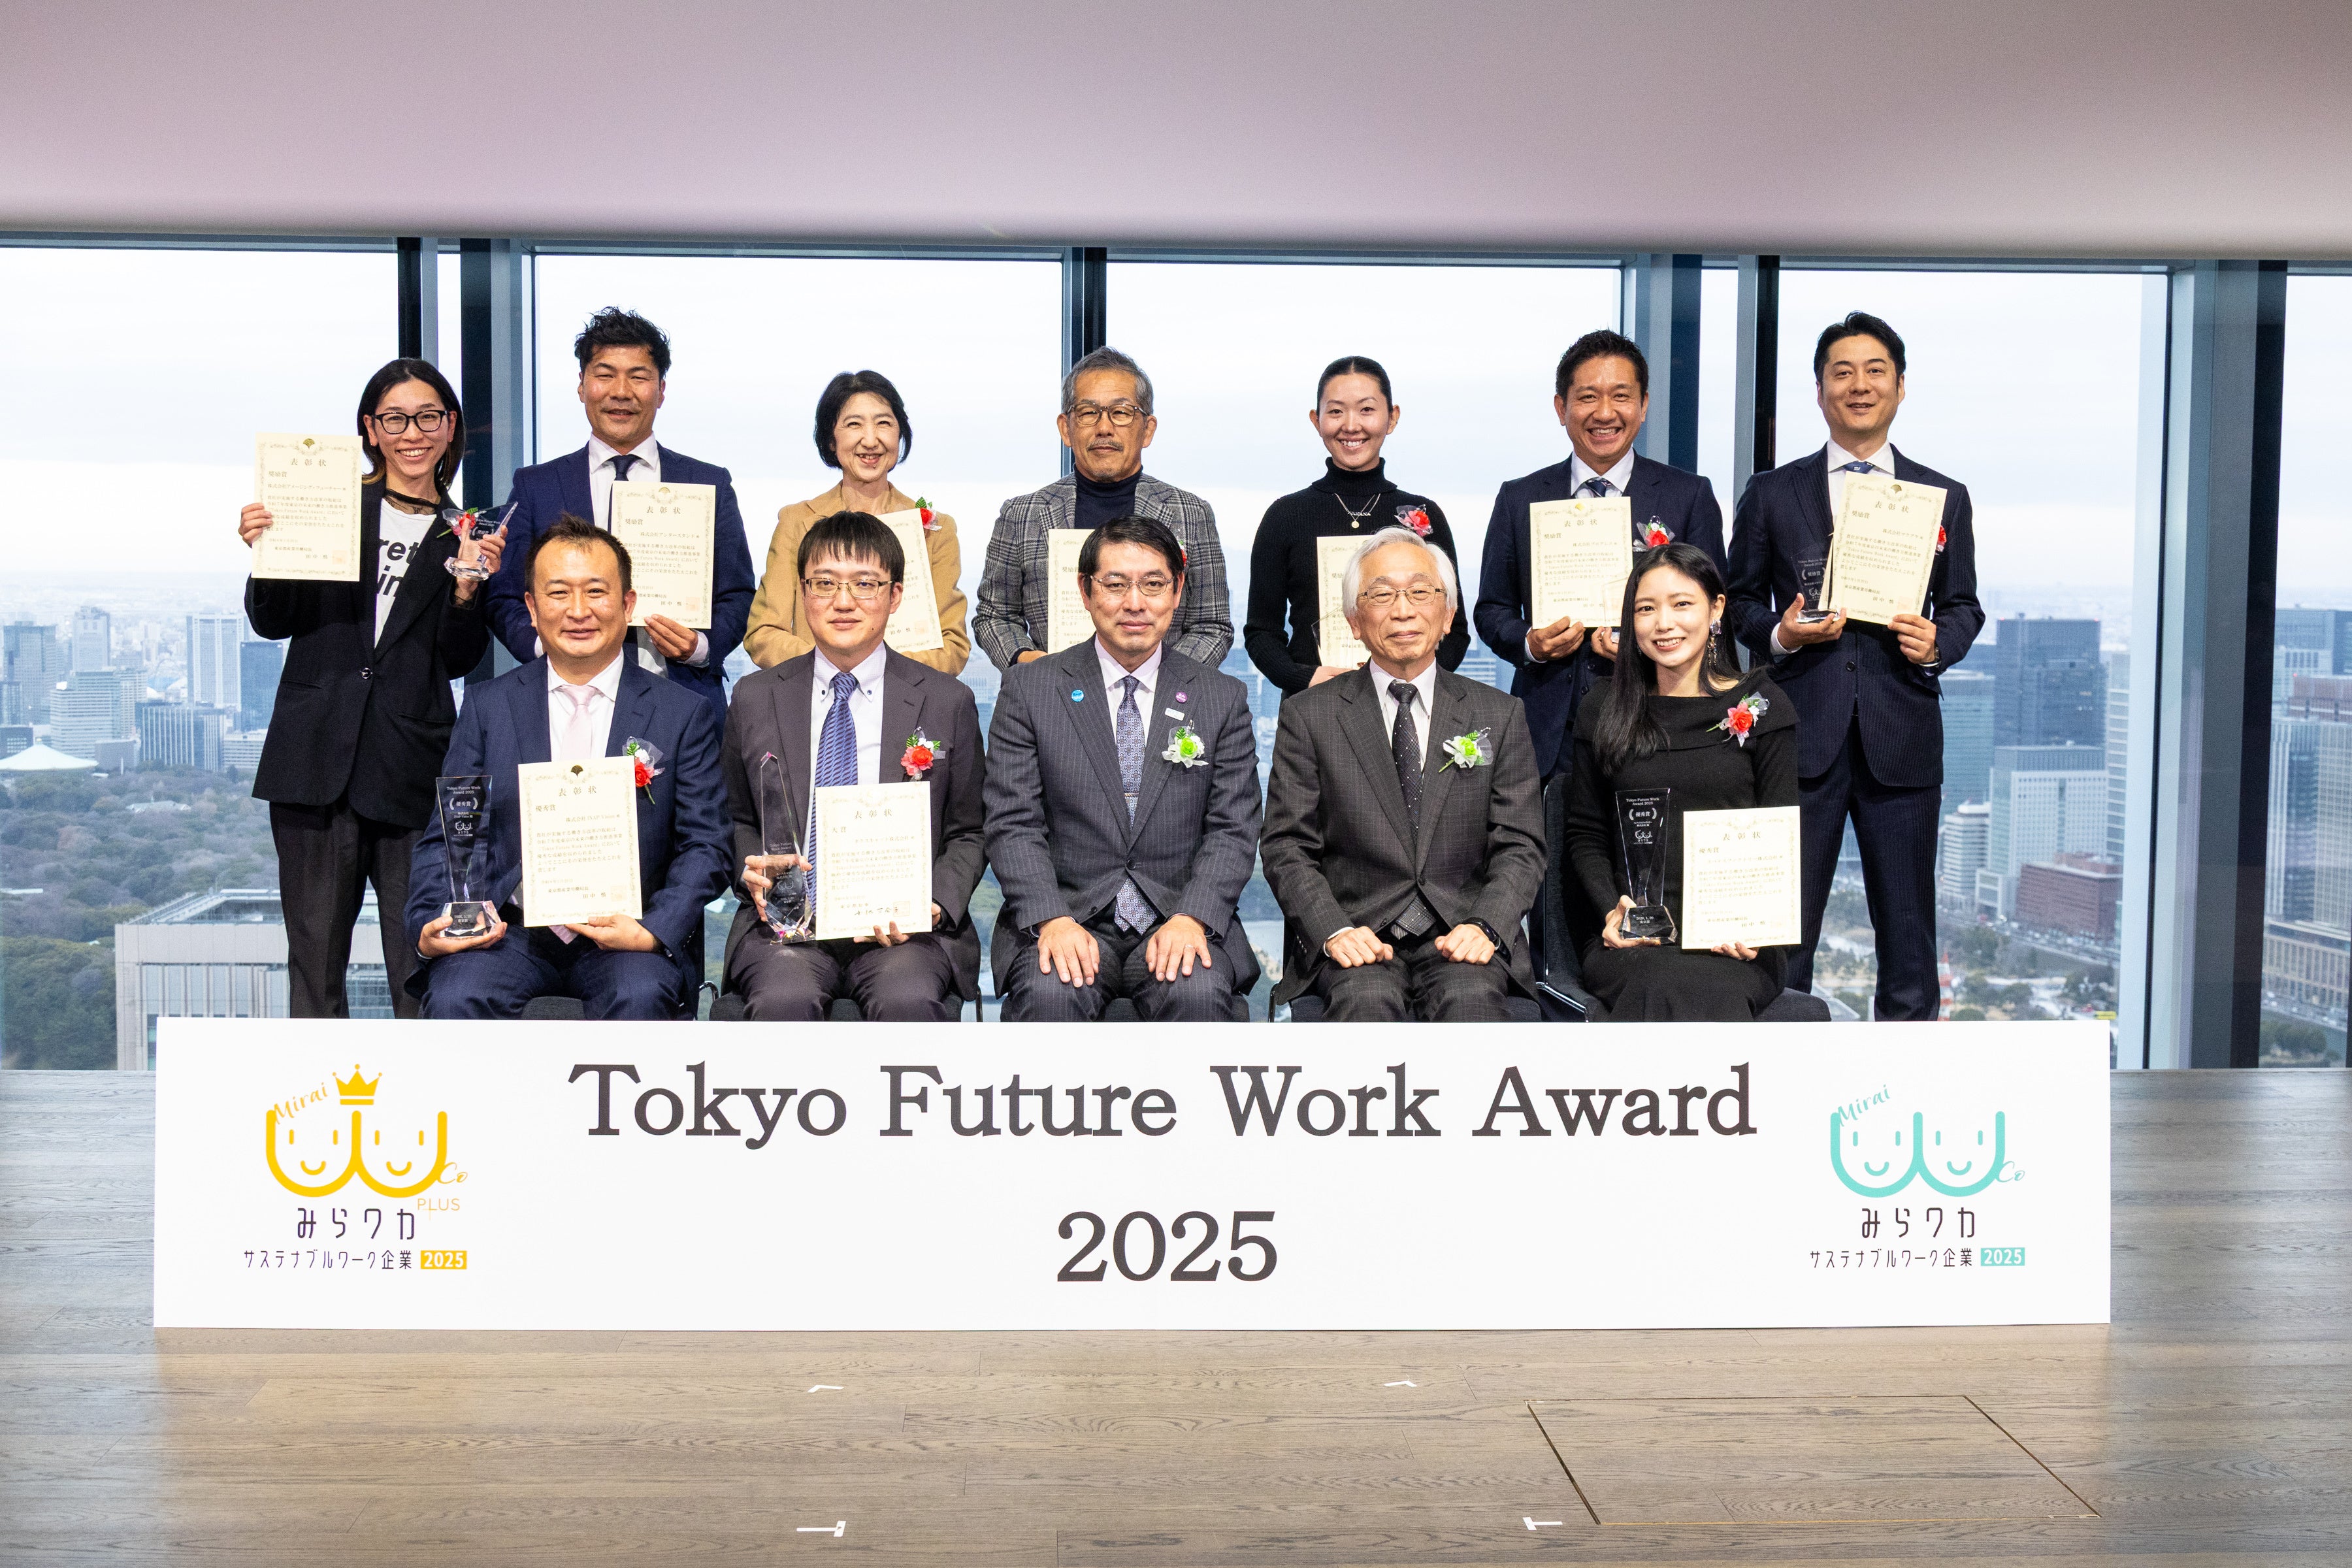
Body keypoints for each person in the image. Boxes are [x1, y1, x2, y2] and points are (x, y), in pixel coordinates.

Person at [1725, 311, 1982, 1021]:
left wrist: (1938, 642)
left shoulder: (1943, 495)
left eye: (1875, 371)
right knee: (1785, 932)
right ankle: (1778, 1066)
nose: (1859, 385)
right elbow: (1736, 601)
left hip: (1902, 736)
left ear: (1900, 386)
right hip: (1799, 736)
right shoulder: (1773, 492)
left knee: (1908, 932)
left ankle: (1908, 1069)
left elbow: (1964, 606)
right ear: (1819, 391)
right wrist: (1779, 635)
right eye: (1842, 372)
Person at [239, 357, 498, 1019]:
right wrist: (267, 553)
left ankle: (423, 1086)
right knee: (315, 966)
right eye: (395, 419)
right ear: (371, 429)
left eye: (428, 417)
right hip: (313, 757)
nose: (413, 433)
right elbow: (273, 621)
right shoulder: (326, 505)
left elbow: (458, 661)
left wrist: (467, 591)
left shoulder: (467, 529)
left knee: (420, 965)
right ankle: (317, 1086)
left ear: (450, 427)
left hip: (411, 764)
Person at [406, 517, 730, 1019]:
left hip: (627, 932)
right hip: (509, 931)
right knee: (456, 994)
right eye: (558, 593)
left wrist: (653, 930)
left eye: (596, 592)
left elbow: (707, 844)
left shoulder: (681, 713)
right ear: (532, 608)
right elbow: (449, 834)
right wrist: (432, 924)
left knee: (641, 993)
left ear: (628, 604)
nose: (579, 611)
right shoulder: (489, 707)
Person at [985, 516, 1262, 1021]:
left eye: (1153, 584)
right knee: (1050, 992)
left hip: (1177, 914)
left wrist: (1193, 916)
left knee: (1197, 991)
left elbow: (1234, 828)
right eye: (1115, 585)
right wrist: (1051, 918)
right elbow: (1012, 822)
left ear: (1177, 591)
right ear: (1085, 591)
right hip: (1068, 914)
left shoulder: (1220, 697)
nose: (1135, 603)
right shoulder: (1031, 689)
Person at [1262, 527, 1544, 1021]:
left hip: (1464, 932)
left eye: (1419, 592)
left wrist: (1487, 924)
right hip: (1358, 935)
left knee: (1471, 1000)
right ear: (1354, 620)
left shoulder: (1498, 714)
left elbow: (1520, 844)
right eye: (1381, 595)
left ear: (1448, 614)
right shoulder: (1311, 715)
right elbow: (1287, 845)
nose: (1403, 610)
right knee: (1365, 1002)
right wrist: (1333, 930)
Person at [720, 511, 986, 1020]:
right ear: (802, 593)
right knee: (782, 999)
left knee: (908, 998)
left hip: (903, 932)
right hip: (786, 924)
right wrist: (751, 869)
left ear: (895, 595)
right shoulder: (755, 698)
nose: (843, 602)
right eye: (824, 584)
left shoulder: (945, 701)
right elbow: (732, 818)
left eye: (865, 584)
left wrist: (932, 902)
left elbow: (970, 830)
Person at [485, 307, 755, 728]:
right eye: (605, 375)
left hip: (682, 700)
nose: (621, 392)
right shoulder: (537, 486)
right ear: (582, 386)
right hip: (565, 700)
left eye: (639, 377)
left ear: (661, 390)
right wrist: (545, 647)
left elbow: (737, 594)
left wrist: (699, 648)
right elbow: (505, 596)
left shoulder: (707, 483)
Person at [1475, 330, 1725, 779]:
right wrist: (1531, 643)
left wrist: (1647, 646)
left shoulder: (1688, 496)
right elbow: (1492, 610)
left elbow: (1714, 613)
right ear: (1561, 408)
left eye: (1621, 396)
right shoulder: (1520, 498)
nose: (1605, 413)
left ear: (1643, 406)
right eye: (1588, 397)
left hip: (1658, 717)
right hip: (1550, 729)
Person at [1564, 544, 1798, 1021]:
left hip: (1737, 938)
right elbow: (1586, 833)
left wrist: (1757, 926)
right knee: (1658, 980)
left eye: (1682, 604)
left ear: (1716, 608)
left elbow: (1783, 835)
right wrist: (1612, 911)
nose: (1664, 623)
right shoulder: (1603, 708)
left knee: (1710, 987)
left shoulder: (1763, 705)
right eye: (1646, 609)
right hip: (1632, 934)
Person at [972, 347, 1232, 672]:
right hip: (1053, 692)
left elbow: (1212, 625)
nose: (1104, 428)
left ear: (1148, 429)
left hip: (1161, 694)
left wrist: (1162, 677)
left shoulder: (1190, 513)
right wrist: (1030, 663)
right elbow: (994, 615)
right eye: (1088, 413)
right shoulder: (1022, 515)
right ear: (1066, 428)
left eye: (1121, 413)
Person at [1244, 355, 1470, 693]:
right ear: (1316, 420)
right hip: (1312, 702)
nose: (1351, 426)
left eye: (1367, 410)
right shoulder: (1285, 515)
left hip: (1408, 700)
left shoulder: (1424, 515)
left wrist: (1411, 680)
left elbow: (1455, 629)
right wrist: (1304, 679)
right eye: (1336, 411)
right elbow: (1261, 631)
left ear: (1392, 417)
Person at [743, 370, 970, 674]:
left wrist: (878, 675)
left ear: (900, 434)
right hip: (815, 692)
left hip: (905, 696)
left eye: (884, 423)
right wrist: (834, 668)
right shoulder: (797, 522)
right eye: (854, 424)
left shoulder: (936, 530)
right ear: (831, 439)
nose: (871, 440)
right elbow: (764, 634)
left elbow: (952, 646)